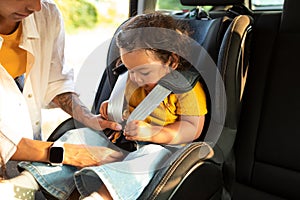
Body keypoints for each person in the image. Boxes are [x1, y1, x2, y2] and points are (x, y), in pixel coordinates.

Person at [1, 11, 208, 199]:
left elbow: (192, 128)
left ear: (171, 62)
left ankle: (100, 197)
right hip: (122, 140)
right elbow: (128, 106)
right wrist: (112, 109)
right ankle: (26, 184)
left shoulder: (186, 90)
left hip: (160, 148)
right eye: (129, 69)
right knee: (77, 138)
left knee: (146, 159)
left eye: (143, 72)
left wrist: (153, 133)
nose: (134, 78)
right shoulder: (133, 77)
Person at [0, 0, 124, 193]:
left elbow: (55, 81)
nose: (36, 7)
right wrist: (67, 153)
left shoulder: (46, 15)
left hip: (28, 157)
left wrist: (87, 118)